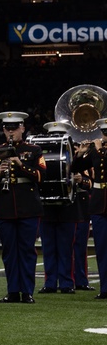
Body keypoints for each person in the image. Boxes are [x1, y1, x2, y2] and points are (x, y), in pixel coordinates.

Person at [0, 111, 46, 304]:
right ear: (3, 130)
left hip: (28, 206)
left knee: (27, 250)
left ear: (22, 128)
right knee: (9, 252)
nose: (11, 132)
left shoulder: (34, 150)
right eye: (7, 129)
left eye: (15, 128)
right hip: (5, 206)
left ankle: (27, 292)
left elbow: (41, 176)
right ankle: (12, 291)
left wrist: (20, 164)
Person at [37, 122, 81, 294]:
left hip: (68, 207)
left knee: (65, 249)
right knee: (48, 248)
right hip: (47, 207)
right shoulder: (40, 153)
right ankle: (50, 282)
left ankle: (66, 282)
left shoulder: (75, 154)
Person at [71, 117, 107, 299]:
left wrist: (99, 150)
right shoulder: (95, 151)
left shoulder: (99, 151)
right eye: (104, 132)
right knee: (101, 249)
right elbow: (75, 169)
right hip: (99, 204)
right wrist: (80, 154)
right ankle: (105, 289)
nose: (105, 136)